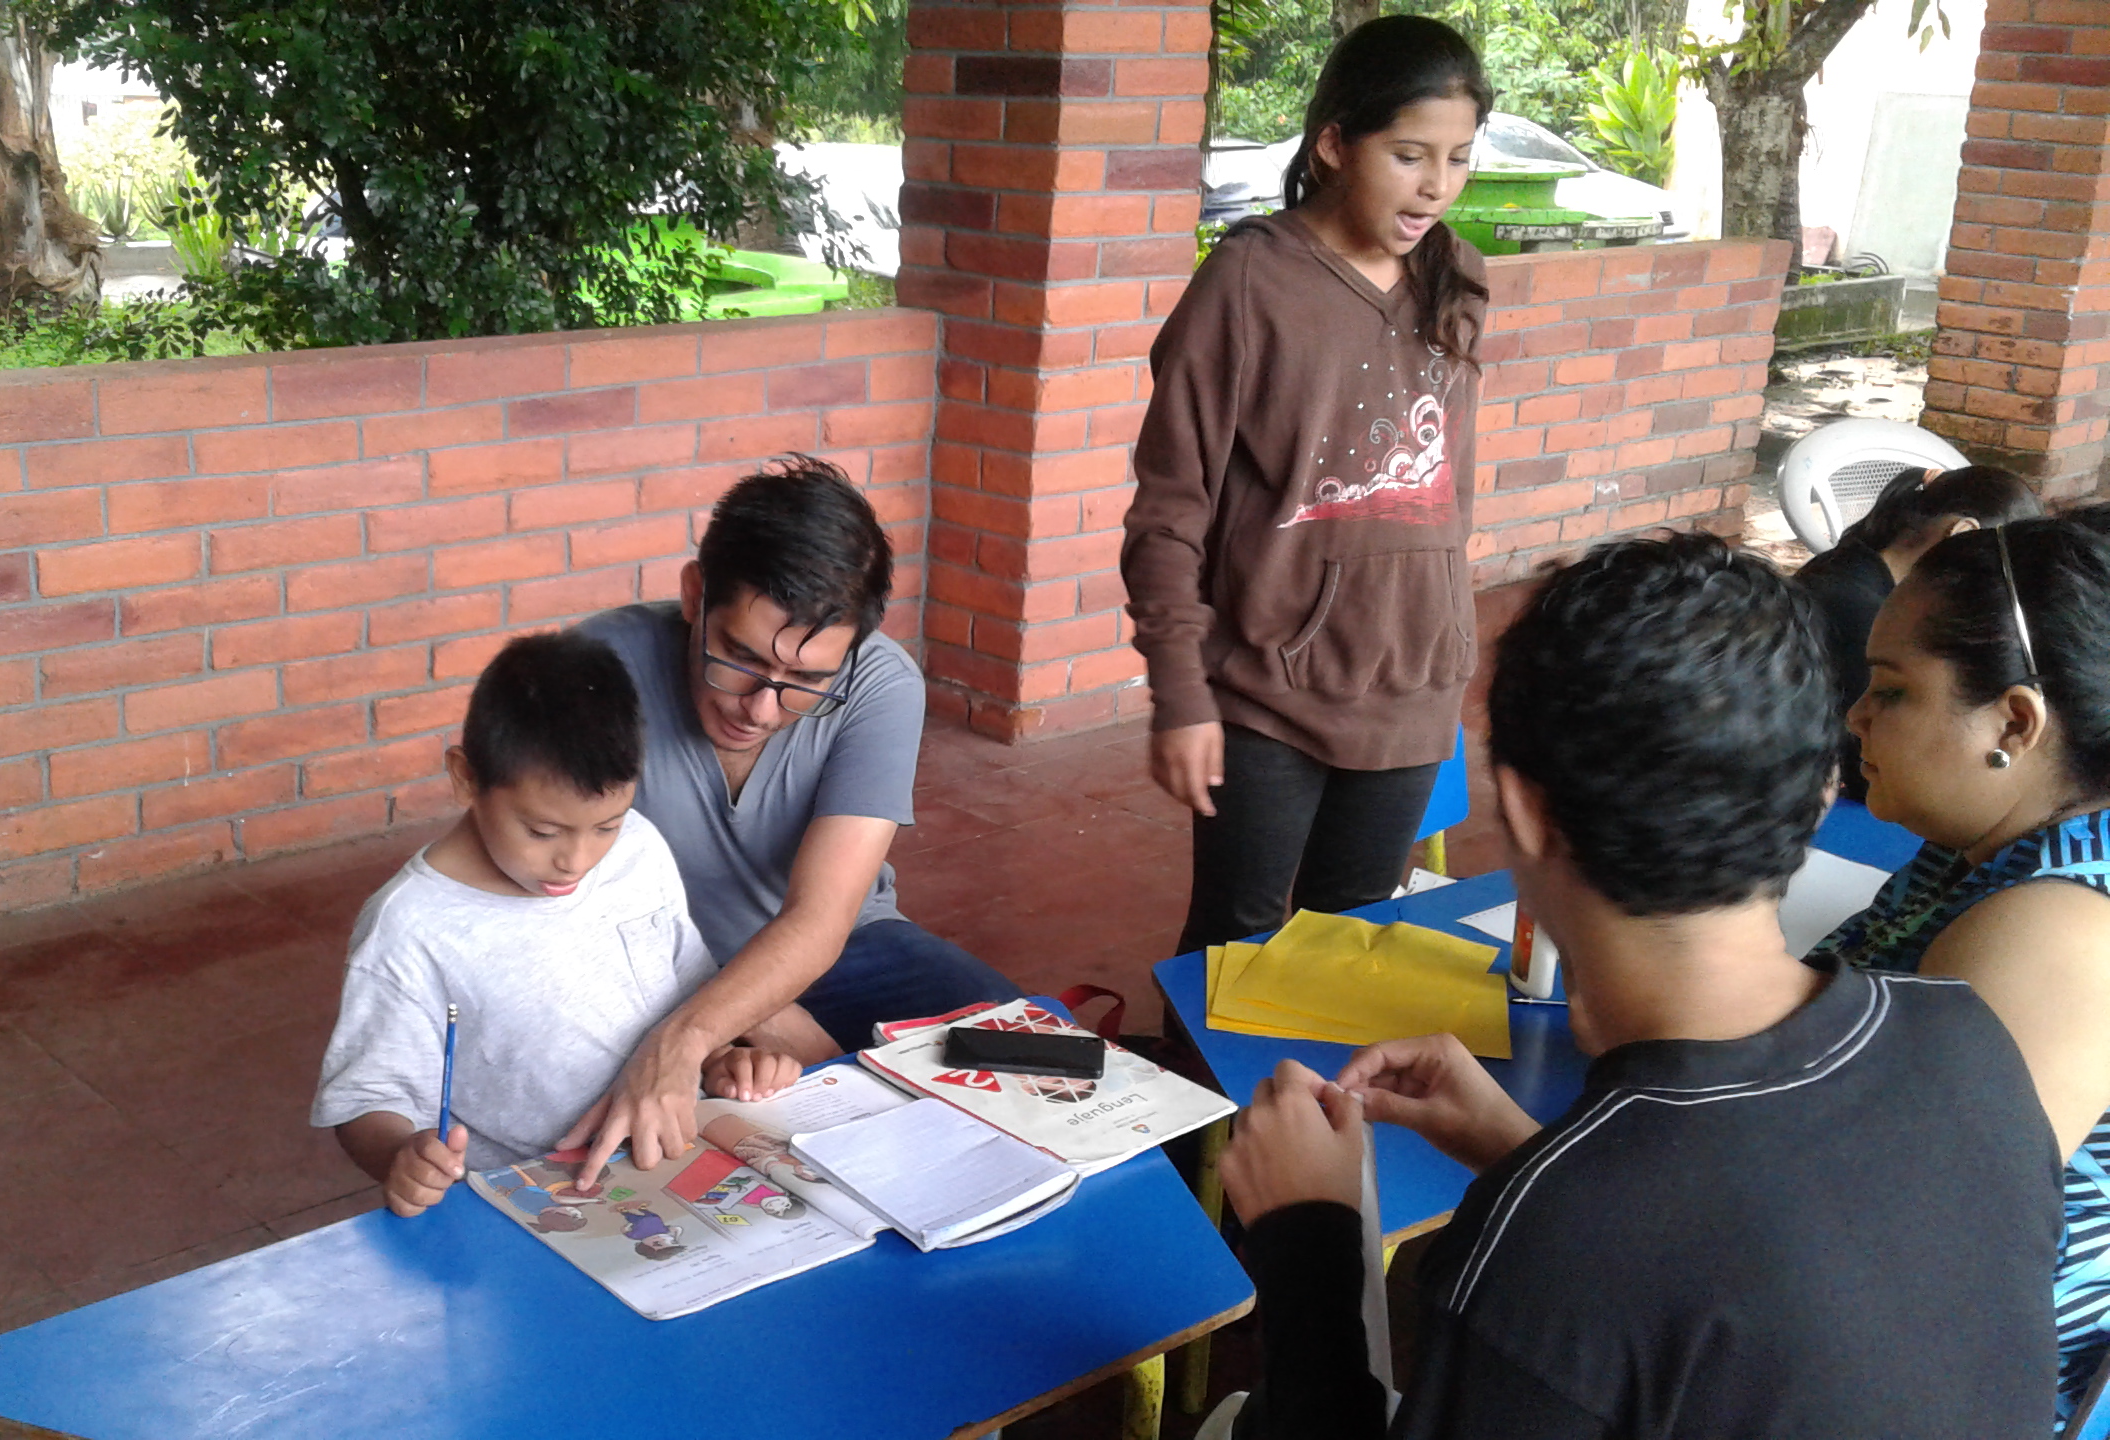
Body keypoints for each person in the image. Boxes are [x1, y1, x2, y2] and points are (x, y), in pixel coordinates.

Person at [1221, 533, 2060, 1438]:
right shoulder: (1969, 1038)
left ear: (1527, 813)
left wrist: (1309, 1244)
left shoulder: (1544, 1254)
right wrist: (1521, 1155)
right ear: (1822, 790)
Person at [1123, 16, 1493, 956]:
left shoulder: (1456, 275)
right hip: (1268, 695)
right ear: (1335, 144)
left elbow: (1449, 491)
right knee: (1234, 949)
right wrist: (1180, 692)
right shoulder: (1249, 282)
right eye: (1409, 155)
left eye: (1457, 158)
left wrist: (1447, 636)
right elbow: (1169, 512)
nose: (1437, 185)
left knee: (1353, 943)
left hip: (1413, 687)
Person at [568, 455, 1021, 1181]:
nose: (759, 709)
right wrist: (726, 1025)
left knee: (1020, 1057)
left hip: (846, 950)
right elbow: (561, 906)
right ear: (695, 595)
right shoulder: (593, 674)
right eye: (738, 658)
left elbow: (822, 918)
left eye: (807, 681)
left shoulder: (880, 685)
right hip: (653, 967)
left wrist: (708, 1033)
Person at [310, 631, 811, 1218]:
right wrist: (401, 1155)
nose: (576, 860)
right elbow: (366, 1098)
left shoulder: (640, 847)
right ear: (466, 778)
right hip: (535, 1204)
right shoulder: (410, 926)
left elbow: (689, 994)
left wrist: (726, 1059)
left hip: (678, 1163)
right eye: (542, 832)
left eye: (606, 826)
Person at [1811, 516, 2110, 1427]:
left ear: (2015, 722)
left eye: (1891, 691)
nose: (1855, 716)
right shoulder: (1976, 845)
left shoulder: (2049, 934)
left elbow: (1896, 1247)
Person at [1791, 464, 2038, 798]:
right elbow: (1876, 765)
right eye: (1997, 569)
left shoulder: (1855, 564)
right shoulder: (1858, 610)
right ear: (1961, 533)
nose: (1993, 588)